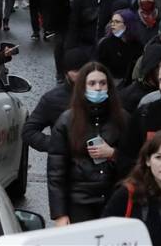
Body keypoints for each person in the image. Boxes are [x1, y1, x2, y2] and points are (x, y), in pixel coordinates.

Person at [47, 61, 128, 226]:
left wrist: (113, 154)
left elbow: (135, 160)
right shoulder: (67, 121)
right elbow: (56, 171)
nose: (98, 88)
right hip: (80, 200)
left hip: (114, 197)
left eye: (102, 83)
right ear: (82, 87)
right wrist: (59, 214)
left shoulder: (123, 119)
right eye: (92, 83)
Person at [23, 46, 92, 153]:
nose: (81, 74)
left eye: (84, 70)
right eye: (75, 71)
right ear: (66, 73)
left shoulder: (102, 93)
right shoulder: (52, 99)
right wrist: (57, 144)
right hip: (65, 164)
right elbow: (29, 132)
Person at [96, 8, 145, 84]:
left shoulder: (137, 45)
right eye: (112, 21)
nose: (113, 24)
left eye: (117, 22)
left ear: (128, 24)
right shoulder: (105, 44)